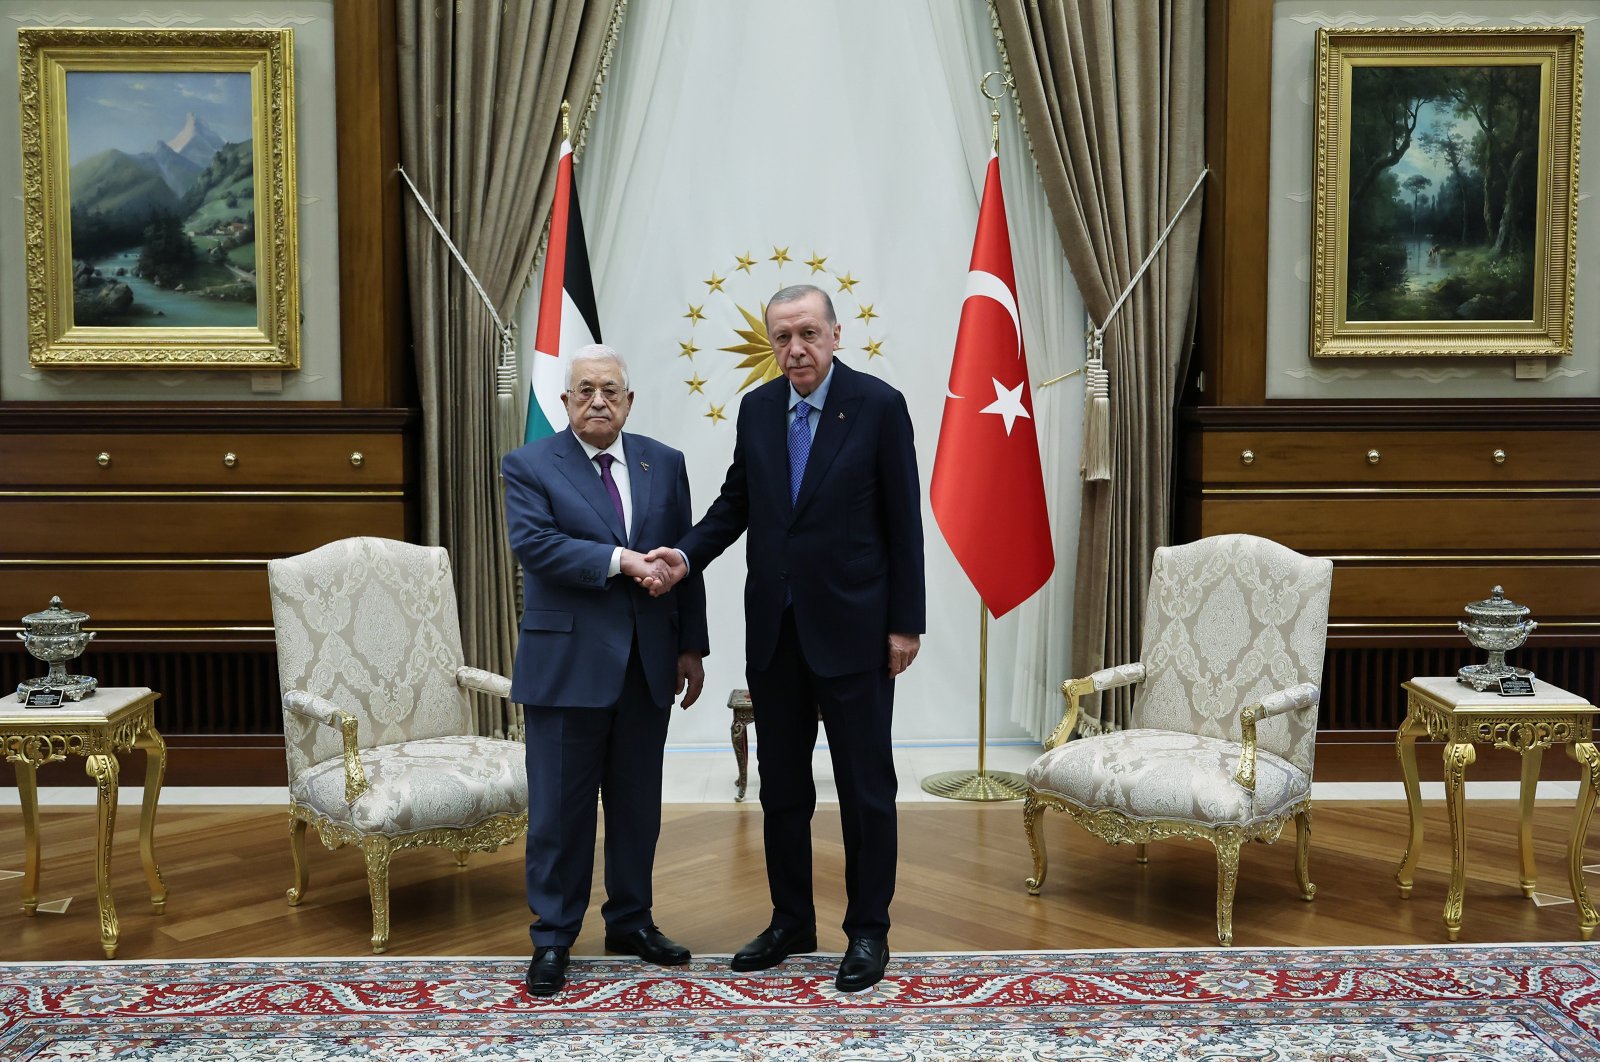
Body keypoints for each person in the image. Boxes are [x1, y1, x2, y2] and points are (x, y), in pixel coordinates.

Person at [647, 284, 925, 992]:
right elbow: (737, 502)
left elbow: (904, 524)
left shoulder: (879, 406)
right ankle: (791, 920)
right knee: (783, 790)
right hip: (776, 631)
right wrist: (684, 555)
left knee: (867, 790)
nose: (795, 348)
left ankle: (867, 932)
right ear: (770, 342)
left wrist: (905, 624)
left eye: (808, 333)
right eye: (782, 337)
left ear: (835, 334)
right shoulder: (758, 407)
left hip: (858, 632)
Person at [502, 344, 709, 998]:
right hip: (566, 667)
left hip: (647, 665)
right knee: (560, 814)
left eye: (610, 390)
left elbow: (683, 560)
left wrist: (691, 647)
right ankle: (554, 937)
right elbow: (536, 545)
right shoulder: (530, 463)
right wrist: (621, 561)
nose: (598, 400)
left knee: (636, 808)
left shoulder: (663, 463)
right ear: (564, 402)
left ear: (629, 400)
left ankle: (631, 922)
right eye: (585, 390)